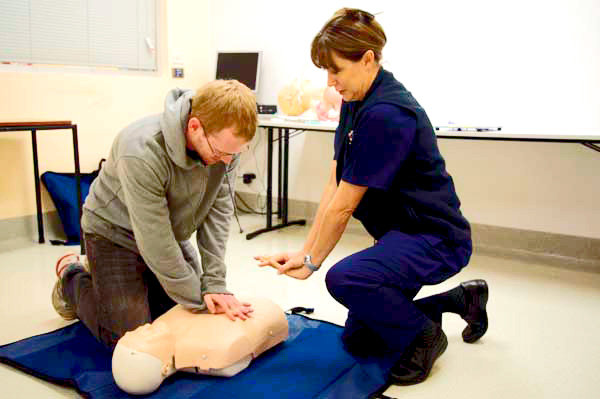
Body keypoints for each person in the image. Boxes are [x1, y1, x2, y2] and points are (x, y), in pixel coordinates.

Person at [256, 8, 488, 385]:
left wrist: (314, 263)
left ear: (367, 60)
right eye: (326, 73)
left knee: (346, 279)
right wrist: (304, 251)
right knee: (360, 341)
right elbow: (336, 181)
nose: (330, 83)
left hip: (435, 240)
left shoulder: (387, 113)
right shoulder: (355, 101)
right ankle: (459, 300)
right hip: (401, 236)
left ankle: (425, 337)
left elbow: (346, 205)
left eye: (337, 71)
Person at [52, 80, 257, 350]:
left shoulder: (224, 147)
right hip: (114, 234)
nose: (228, 162)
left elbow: (217, 213)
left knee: (182, 315)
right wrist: (199, 298)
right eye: (221, 153)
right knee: (131, 338)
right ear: (194, 126)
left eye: (234, 154)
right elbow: (154, 239)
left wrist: (215, 283)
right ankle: (72, 277)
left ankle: (126, 286)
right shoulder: (140, 150)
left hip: (169, 231)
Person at [112, 297, 288, 395]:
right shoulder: (214, 352)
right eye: (143, 337)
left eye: (129, 335)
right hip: (260, 308)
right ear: (165, 368)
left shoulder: (162, 327)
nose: (138, 329)